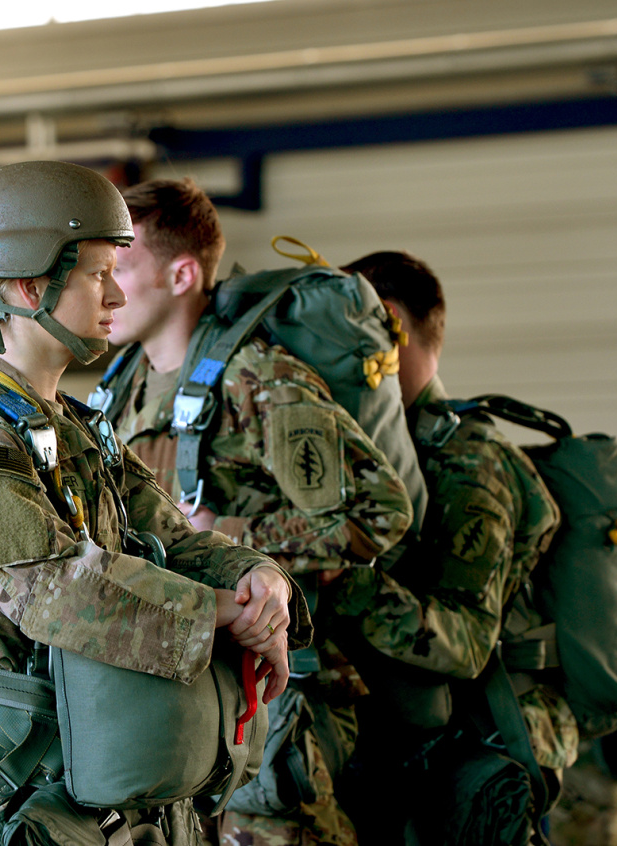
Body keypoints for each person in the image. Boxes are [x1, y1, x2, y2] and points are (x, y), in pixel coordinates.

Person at [0, 160, 313, 846]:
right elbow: (50, 586)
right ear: (29, 285)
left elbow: (177, 540)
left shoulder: (77, 430)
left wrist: (258, 582)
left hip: (99, 768)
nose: (116, 294)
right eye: (98, 274)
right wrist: (222, 613)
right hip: (1, 787)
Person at [92, 178, 414, 845]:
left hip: (274, 692)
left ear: (182, 274)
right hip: (181, 684)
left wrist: (232, 534)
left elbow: (380, 510)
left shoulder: (255, 375)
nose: (108, 289)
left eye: (122, 265)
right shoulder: (123, 385)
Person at [330, 251, 576, 842]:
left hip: (480, 759)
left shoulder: (468, 463)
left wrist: (342, 584)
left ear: (389, 322)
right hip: (419, 757)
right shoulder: (391, 450)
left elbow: (464, 642)